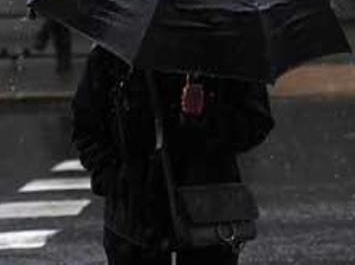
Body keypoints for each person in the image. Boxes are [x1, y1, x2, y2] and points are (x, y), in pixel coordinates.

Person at [73, 46, 274, 265]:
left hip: (207, 209)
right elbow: (87, 126)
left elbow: (255, 122)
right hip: (134, 221)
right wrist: (116, 179)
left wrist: (205, 118)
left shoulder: (225, 51)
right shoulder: (114, 55)